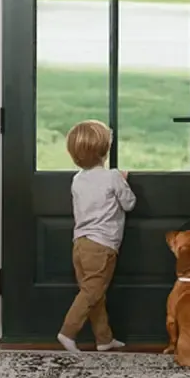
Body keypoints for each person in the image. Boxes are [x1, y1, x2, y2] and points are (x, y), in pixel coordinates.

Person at [57, 120, 136, 353]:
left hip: (80, 244)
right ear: (105, 150)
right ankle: (68, 331)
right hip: (102, 246)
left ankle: (104, 339)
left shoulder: (78, 179)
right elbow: (129, 203)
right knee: (92, 292)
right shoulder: (112, 177)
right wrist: (123, 181)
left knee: (95, 294)